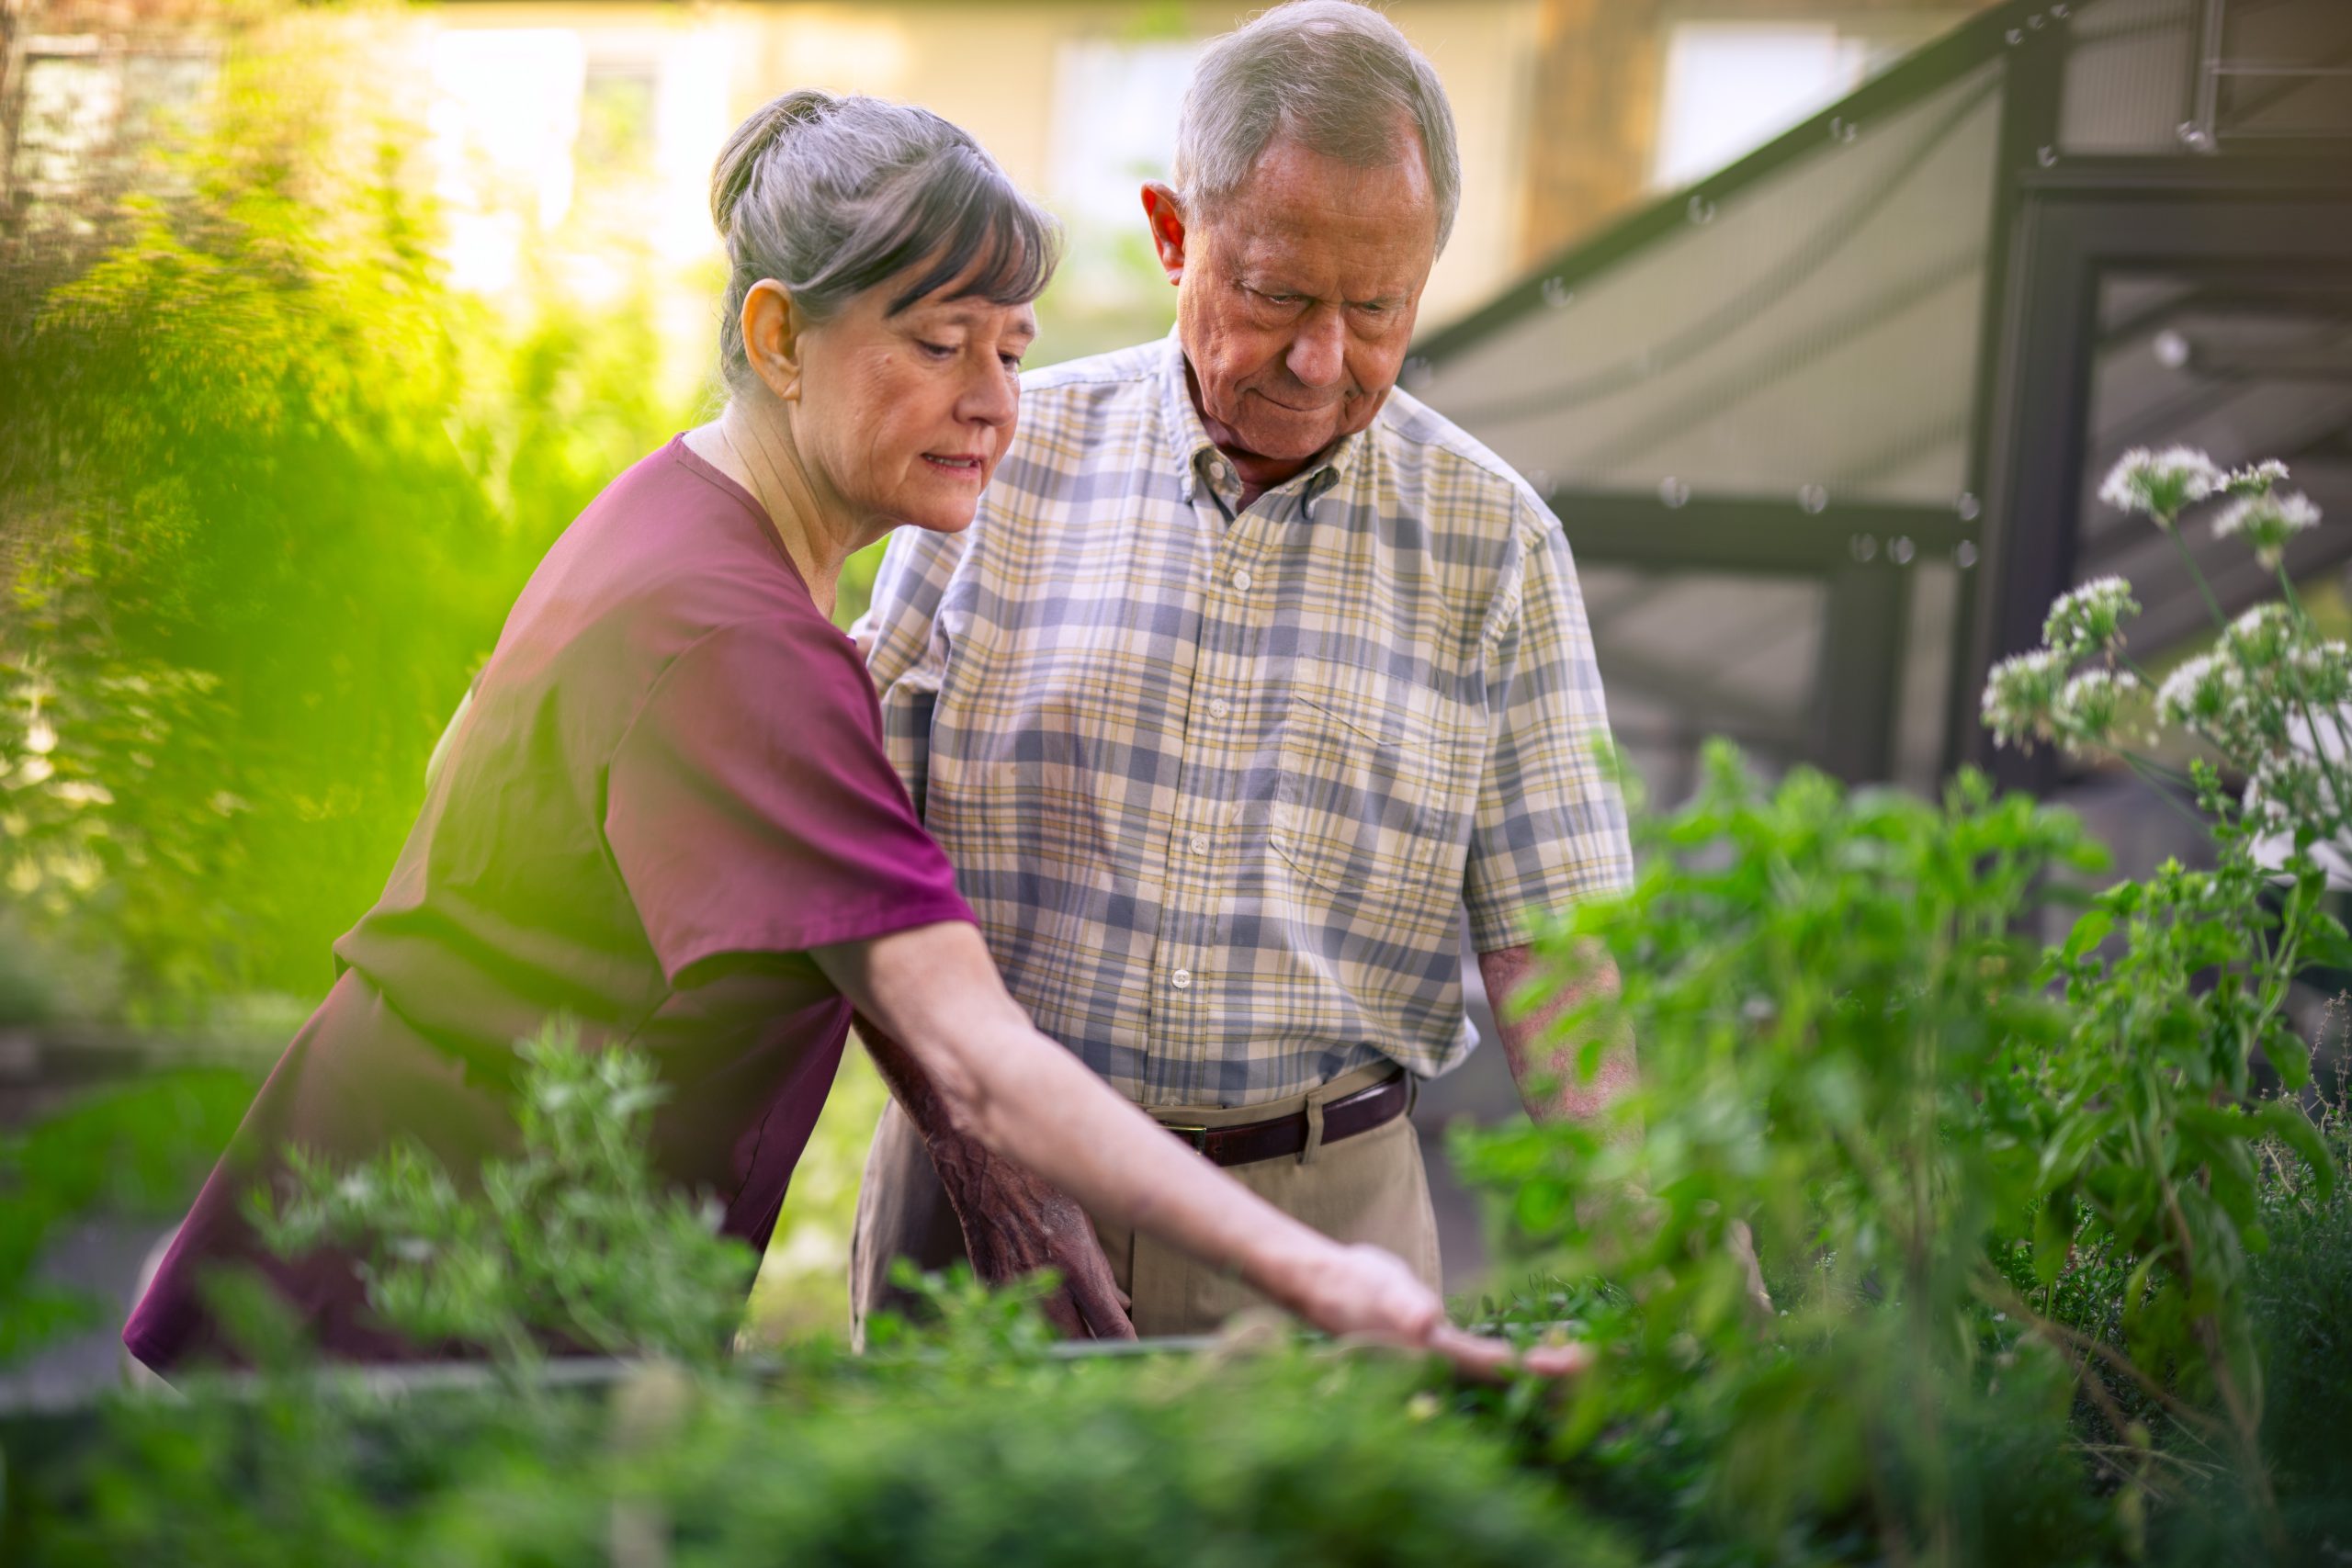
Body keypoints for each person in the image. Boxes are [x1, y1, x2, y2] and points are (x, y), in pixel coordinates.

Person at [121, 89, 1567, 1381]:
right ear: (778, 336)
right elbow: (973, 1044)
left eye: (1011, 348)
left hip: (424, 1256)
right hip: (402, 1308)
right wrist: (1322, 1274)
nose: (996, 406)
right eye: (938, 345)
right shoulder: (738, 640)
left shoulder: (682, 522)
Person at [850, 1, 1637, 1341]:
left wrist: (1672, 1267)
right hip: (987, 1201)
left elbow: (1561, 961)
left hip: (1324, 1225)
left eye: (1378, 308)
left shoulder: (1494, 545)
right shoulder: (991, 465)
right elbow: (850, 860)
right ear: (1174, 236)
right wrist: (974, 1149)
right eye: (1276, 296)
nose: (1324, 360)